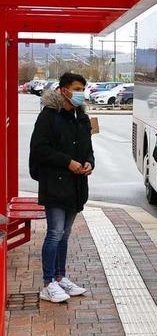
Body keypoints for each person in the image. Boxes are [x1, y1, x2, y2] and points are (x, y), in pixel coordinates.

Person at [30, 72, 94, 303]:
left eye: (83, 88)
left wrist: (89, 163)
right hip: (55, 184)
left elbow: (88, 149)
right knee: (55, 233)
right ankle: (48, 284)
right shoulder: (49, 115)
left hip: (76, 185)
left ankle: (60, 276)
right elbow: (39, 149)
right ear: (64, 89)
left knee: (65, 235)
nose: (81, 93)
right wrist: (68, 162)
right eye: (77, 88)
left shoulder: (82, 117)